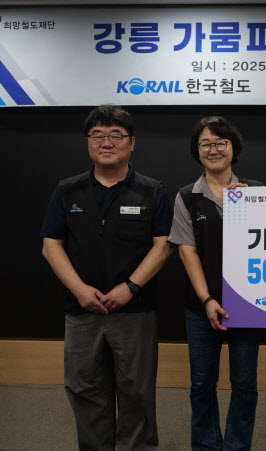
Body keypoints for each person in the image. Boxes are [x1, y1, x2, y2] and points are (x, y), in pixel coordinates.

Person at [41, 104, 173, 450]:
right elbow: (51, 245)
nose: (106, 142)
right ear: (88, 142)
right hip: (82, 311)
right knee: (84, 389)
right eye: (97, 135)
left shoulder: (152, 190)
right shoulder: (67, 190)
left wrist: (130, 287)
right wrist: (79, 290)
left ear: (132, 142)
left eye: (116, 134)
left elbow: (163, 246)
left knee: (137, 391)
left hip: (135, 311)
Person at [168, 116, 262, 451]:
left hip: (247, 308)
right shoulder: (186, 196)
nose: (213, 149)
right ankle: (206, 445)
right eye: (205, 144)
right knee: (202, 384)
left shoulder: (257, 192)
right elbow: (187, 251)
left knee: (245, 385)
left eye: (221, 142)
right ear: (197, 150)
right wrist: (207, 299)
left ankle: (237, 446)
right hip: (201, 308)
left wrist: (254, 206)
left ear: (234, 147)